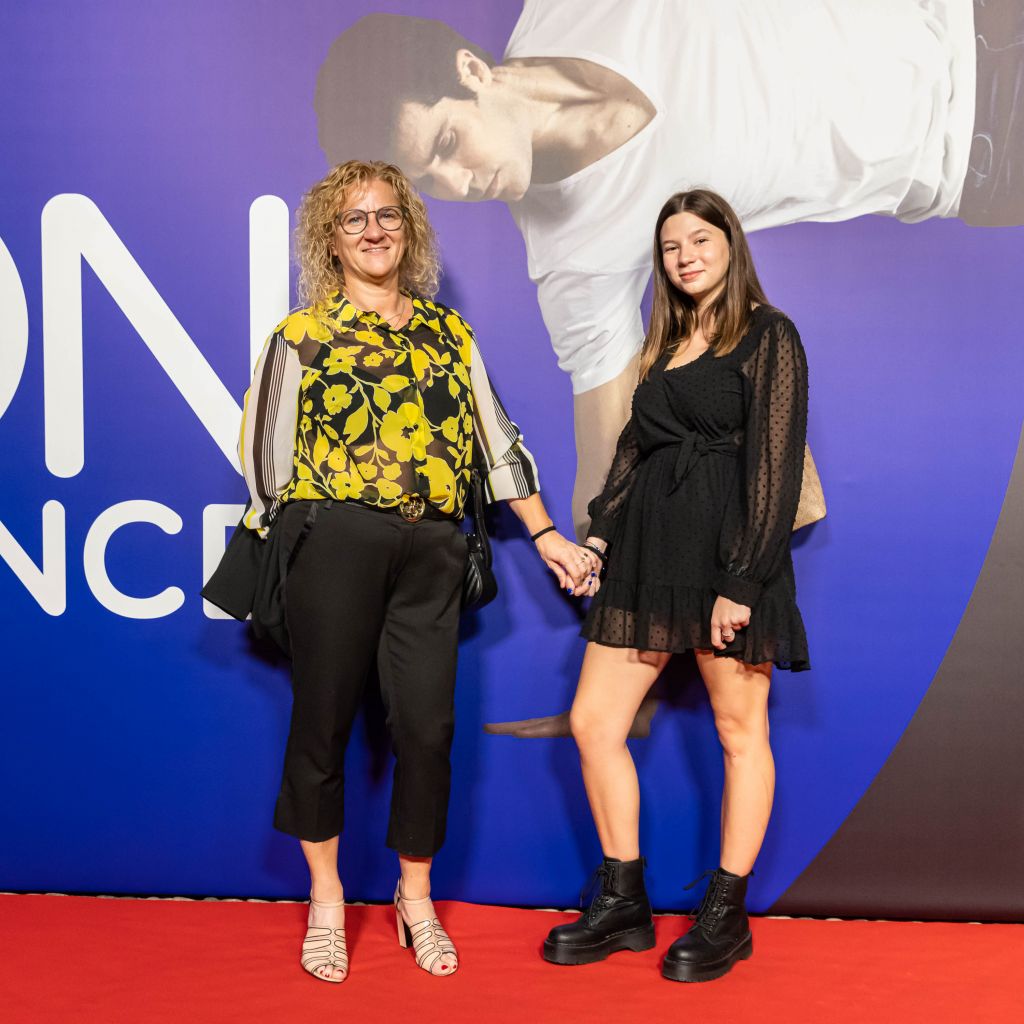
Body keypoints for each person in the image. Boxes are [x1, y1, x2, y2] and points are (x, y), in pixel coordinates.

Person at [315, 1, 1017, 545]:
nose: (456, 184)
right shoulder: (572, 255)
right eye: (427, 180)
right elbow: (605, 479)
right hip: (981, 160)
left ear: (471, 71)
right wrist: (599, 578)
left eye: (446, 142)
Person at [238, 159, 599, 983]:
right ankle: (327, 901)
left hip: (431, 551)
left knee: (428, 731)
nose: (374, 231)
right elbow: (263, 458)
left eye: (388, 216)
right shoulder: (301, 336)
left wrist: (546, 534)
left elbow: (496, 444)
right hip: (334, 546)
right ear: (331, 240)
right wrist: (303, 537)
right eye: (355, 219)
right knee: (323, 723)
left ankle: (415, 897)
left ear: (409, 230)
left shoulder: (448, 334)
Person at [541, 189, 811, 983]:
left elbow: (775, 469)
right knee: (594, 721)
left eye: (699, 239)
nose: (685, 255)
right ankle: (624, 901)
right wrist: (597, 538)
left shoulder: (769, 334)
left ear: (730, 244)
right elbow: (634, 454)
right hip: (647, 557)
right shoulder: (663, 347)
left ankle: (725, 915)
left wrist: (742, 580)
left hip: (729, 560)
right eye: (670, 246)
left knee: (738, 731)